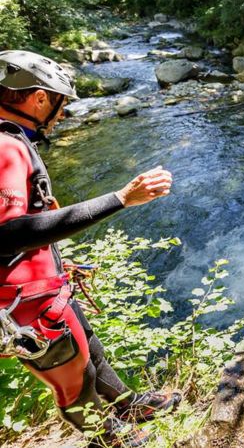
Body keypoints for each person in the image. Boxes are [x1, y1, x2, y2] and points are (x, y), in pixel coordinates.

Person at [0, 50, 180, 447]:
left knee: (91, 351)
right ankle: (115, 440)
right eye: (60, 103)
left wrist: (56, 260)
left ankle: (134, 405)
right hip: (27, 303)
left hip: (40, 288)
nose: (62, 114)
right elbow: (7, 232)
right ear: (40, 98)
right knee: (73, 383)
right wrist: (120, 198)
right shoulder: (6, 146)